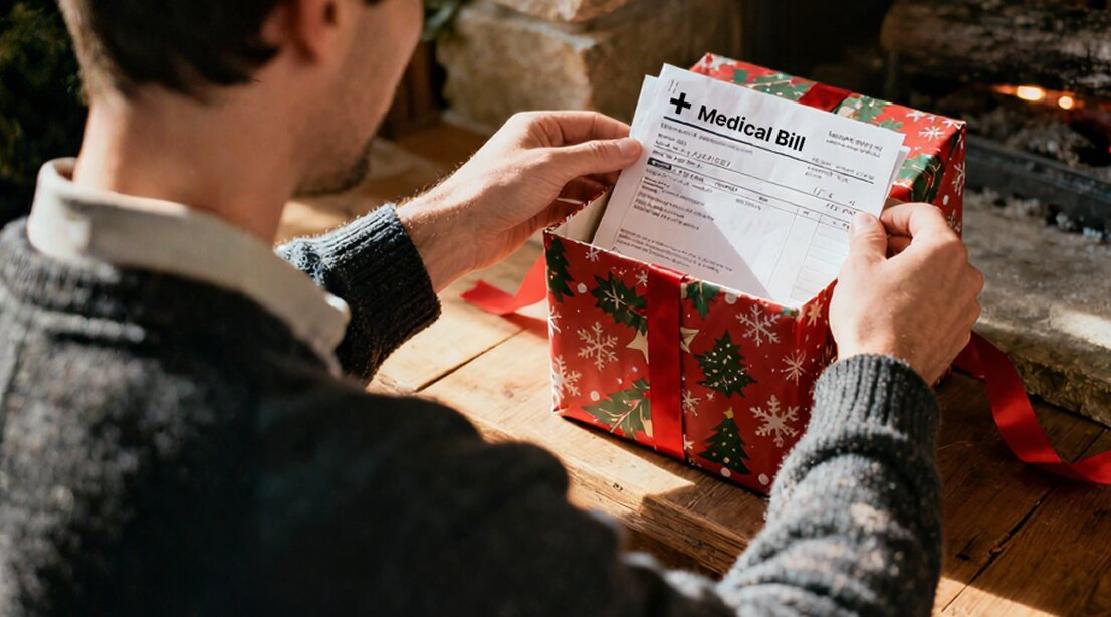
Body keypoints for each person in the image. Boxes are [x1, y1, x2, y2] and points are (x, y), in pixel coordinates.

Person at [0, 0, 982, 615]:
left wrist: (429, 234)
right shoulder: (385, 495)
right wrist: (878, 377)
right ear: (319, 14)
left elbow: (186, 346)